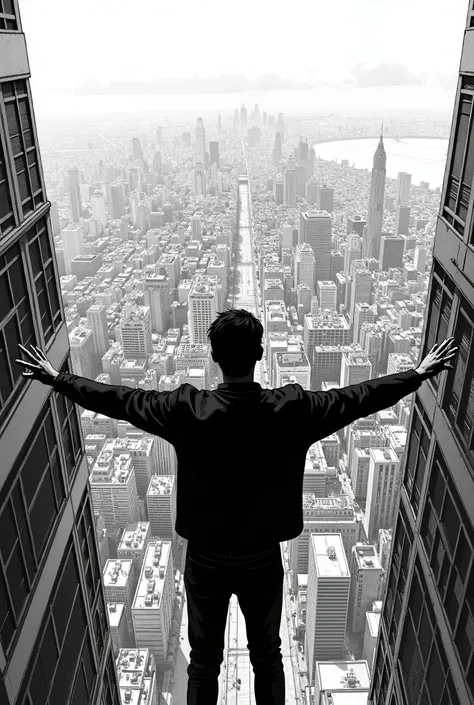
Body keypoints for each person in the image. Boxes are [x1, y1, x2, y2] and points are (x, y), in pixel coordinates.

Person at [16, 309, 457, 705]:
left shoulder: (187, 409)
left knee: (203, 664)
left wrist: (59, 379)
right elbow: (357, 398)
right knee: (267, 658)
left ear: (214, 356)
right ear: (260, 353)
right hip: (261, 558)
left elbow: (120, 401)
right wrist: (415, 375)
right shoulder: (290, 410)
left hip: (206, 560)